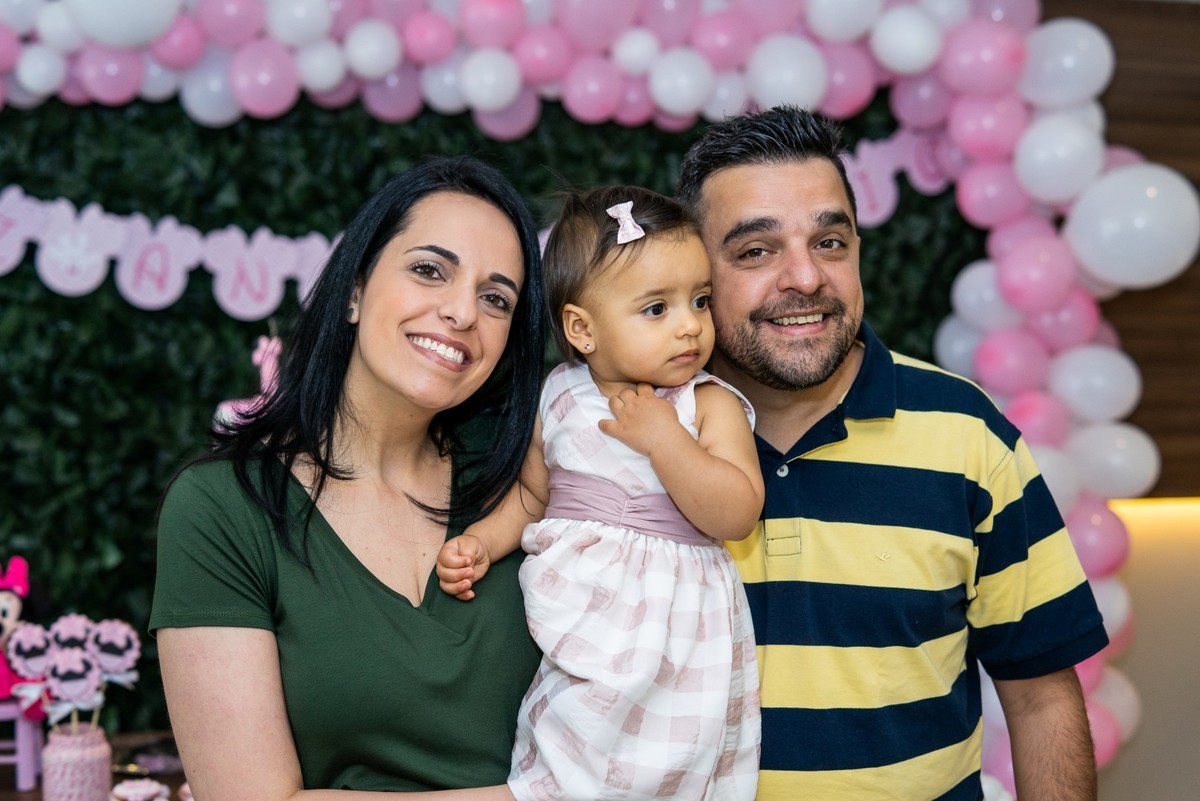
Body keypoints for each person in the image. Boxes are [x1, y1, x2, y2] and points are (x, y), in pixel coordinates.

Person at [675, 106, 1109, 801]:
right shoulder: (635, 439)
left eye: (829, 242)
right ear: (695, 271)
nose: (805, 277)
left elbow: (1040, 696)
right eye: (756, 250)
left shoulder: (967, 433)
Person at [150, 156, 547, 799]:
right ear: (355, 289)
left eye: (496, 298)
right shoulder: (223, 508)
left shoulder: (534, 477)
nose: (461, 312)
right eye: (429, 270)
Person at [437, 186, 764, 801]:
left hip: (678, 626)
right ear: (582, 329)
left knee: (677, 753)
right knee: (574, 735)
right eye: (657, 308)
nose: (690, 325)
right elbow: (533, 496)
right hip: (588, 615)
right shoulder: (560, 394)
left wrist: (667, 441)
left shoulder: (705, 403)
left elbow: (738, 512)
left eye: (700, 301)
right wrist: (482, 541)